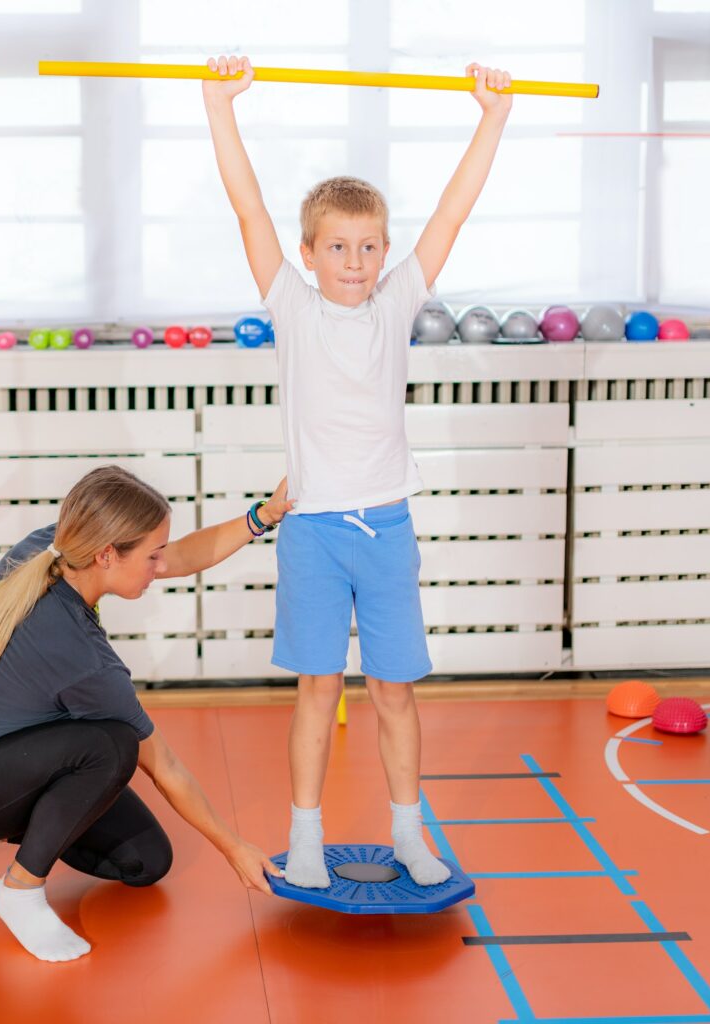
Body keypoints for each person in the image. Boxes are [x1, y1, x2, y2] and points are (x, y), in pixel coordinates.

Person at [202, 54, 512, 888]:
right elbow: (246, 207)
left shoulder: (399, 302)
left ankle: (408, 832)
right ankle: (305, 839)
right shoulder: (292, 307)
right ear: (309, 253)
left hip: (386, 527)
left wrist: (493, 117)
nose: (355, 260)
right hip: (311, 530)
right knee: (314, 689)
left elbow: (453, 213)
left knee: (395, 692)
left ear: (384, 252)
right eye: (338, 246)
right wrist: (218, 105)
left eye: (369, 246)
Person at [0, 465, 293, 962]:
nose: (160, 566)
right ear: (108, 554)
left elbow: (184, 556)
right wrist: (235, 848)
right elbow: (165, 767)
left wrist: (264, 516)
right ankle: (19, 888)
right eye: (152, 556)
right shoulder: (81, 658)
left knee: (146, 861)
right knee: (110, 746)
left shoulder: (51, 549)